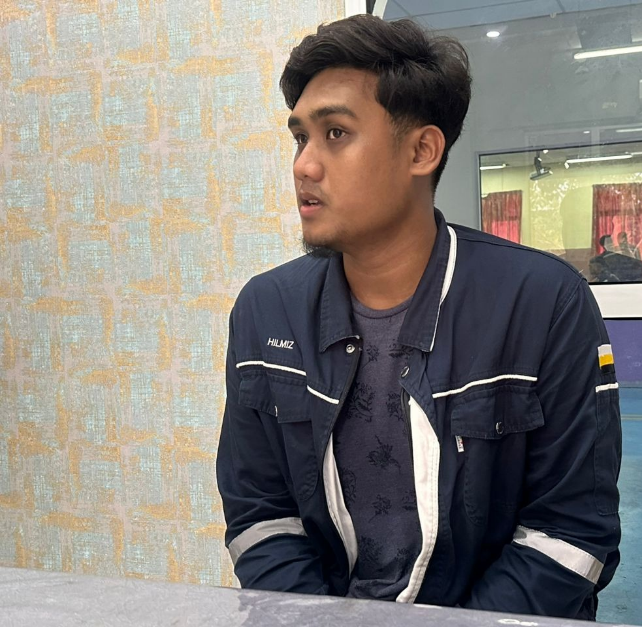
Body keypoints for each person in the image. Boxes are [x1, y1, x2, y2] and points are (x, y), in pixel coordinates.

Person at [216, 14, 621, 621]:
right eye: (300, 138)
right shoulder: (266, 308)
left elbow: (572, 534)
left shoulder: (543, 303)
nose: (303, 165)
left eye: (335, 133)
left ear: (421, 150)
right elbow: (260, 515)